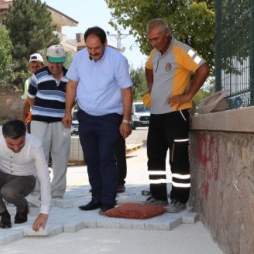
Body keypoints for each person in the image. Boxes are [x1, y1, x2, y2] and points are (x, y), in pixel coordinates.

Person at [62, 26, 133, 215]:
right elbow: (71, 86)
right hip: (86, 116)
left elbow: (126, 91)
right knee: (91, 159)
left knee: (106, 158)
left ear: (105, 44)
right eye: (89, 48)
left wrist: (126, 120)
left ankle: (108, 200)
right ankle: (96, 197)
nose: (93, 53)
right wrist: (68, 112)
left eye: (97, 49)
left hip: (110, 117)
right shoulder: (79, 58)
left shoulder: (117, 60)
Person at [144, 18, 209, 213]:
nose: (153, 43)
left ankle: (179, 199)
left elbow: (203, 67)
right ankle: (158, 197)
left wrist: (188, 95)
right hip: (156, 114)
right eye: (150, 40)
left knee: (177, 158)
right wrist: (151, 87)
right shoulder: (154, 53)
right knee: (154, 157)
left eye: (156, 39)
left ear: (167, 34)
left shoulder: (183, 50)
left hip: (176, 114)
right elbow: (148, 68)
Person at [0, 120, 50, 231]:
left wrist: (44, 213)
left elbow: (44, 178)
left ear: (25, 135)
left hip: (25, 179)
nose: (16, 148)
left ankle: (23, 207)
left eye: (20, 143)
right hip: (2, 174)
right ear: (4, 136)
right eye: (10, 144)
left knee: (8, 191)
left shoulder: (35, 144)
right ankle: (3, 214)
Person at [27, 44, 70, 201]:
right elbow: (30, 98)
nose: (55, 66)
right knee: (39, 157)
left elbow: (73, 99)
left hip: (61, 123)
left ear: (63, 61)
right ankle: (37, 192)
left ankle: (57, 193)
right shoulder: (38, 75)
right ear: (47, 60)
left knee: (61, 157)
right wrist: (41, 112)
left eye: (59, 62)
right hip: (39, 122)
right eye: (52, 62)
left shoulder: (70, 76)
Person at [21, 53, 44, 132]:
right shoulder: (28, 82)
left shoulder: (49, 79)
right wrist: (24, 120)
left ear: (42, 66)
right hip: (33, 119)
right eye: (33, 67)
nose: (35, 69)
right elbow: (27, 102)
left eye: (37, 66)